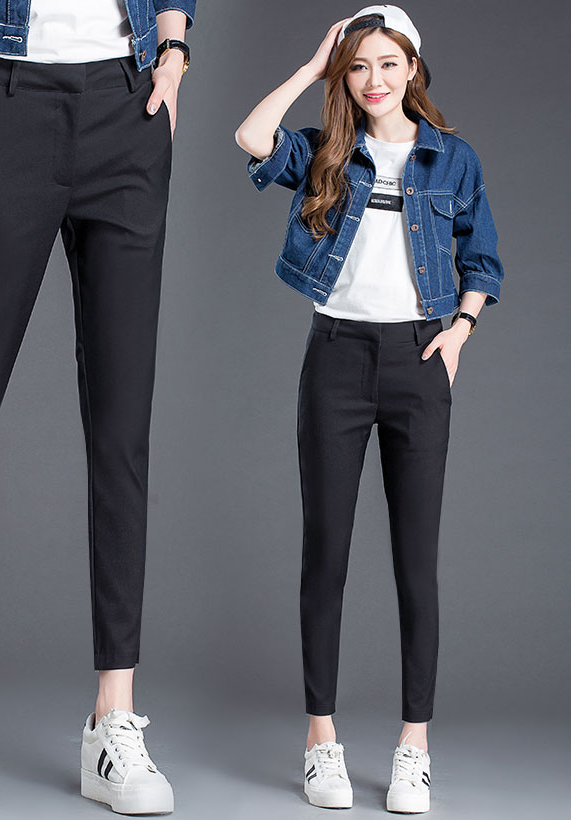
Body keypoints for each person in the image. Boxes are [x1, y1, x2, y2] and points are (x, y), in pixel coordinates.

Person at [0, 0, 196, 812]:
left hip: (129, 112)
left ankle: (113, 718)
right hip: (7, 107)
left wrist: (173, 52)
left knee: (123, 425)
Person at [235, 5, 503, 813]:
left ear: (413, 67)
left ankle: (414, 747)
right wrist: (311, 67)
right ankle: (321, 741)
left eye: (388, 63)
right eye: (358, 66)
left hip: (420, 361)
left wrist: (460, 332)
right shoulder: (327, 151)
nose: (374, 80)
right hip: (337, 359)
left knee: (416, 562)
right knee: (326, 553)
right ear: (343, 75)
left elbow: (483, 258)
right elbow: (251, 137)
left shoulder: (452, 158)